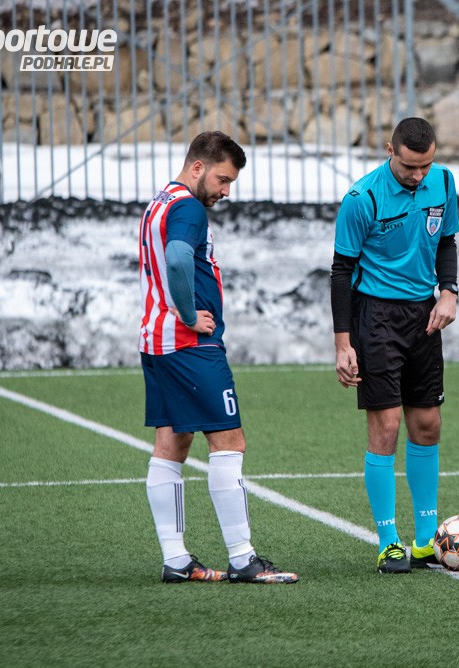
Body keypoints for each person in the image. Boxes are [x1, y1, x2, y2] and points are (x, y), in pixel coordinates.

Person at [139, 130, 298, 584]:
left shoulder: (159, 202)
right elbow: (177, 258)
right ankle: (243, 558)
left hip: (157, 341)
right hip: (191, 345)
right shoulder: (188, 207)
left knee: (172, 444)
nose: (225, 191)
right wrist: (190, 314)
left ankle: (175, 560)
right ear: (198, 167)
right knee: (229, 442)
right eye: (222, 179)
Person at [330, 117, 459, 574]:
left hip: (423, 316)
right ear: (390, 150)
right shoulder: (362, 198)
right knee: (386, 428)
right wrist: (343, 343)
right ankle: (388, 542)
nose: (419, 175)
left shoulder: (444, 182)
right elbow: (341, 271)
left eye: (425, 165)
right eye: (409, 167)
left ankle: (425, 541)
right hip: (376, 318)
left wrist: (449, 290)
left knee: (427, 424)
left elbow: (446, 241)